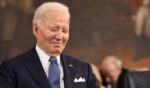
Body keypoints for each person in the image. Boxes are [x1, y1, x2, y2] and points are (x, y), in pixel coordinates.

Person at [0, 2, 98, 88]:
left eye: (64, 31)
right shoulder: (12, 69)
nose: (59, 36)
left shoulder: (84, 70)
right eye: (54, 29)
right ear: (36, 30)